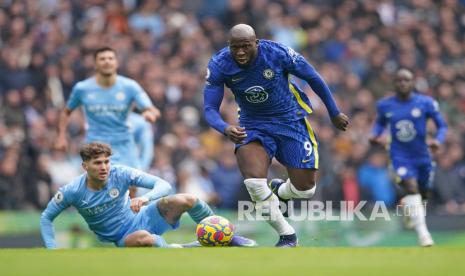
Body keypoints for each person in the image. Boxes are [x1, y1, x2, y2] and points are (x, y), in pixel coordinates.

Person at [203, 24, 349, 247]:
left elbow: (314, 77)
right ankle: (287, 236)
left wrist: (334, 112)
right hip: (253, 125)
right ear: (228, 46)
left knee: (306, 190)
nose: (240, 52)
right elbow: (209, 109)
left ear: (256, 43)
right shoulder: (219, 64)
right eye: (235, 48)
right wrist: (224, 127)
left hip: (290, 121)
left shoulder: (278, 54)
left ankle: (280, 191)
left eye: (245, 46)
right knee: (254, 184)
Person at [40, 142, 256, 248]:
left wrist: (145, 198)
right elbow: (46, 217)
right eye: (98, 163)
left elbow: (162, 184)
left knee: (187, 199)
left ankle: (227, 237)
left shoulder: (121, 173)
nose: (104, 167)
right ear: (84, 166)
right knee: (144, 238)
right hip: (121, 237)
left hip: (143, 215)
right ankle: (185, 248)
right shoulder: (72, 191)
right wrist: (52, 249)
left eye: (106, 161)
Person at [369, 68, 448, 247]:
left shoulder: (426, 103)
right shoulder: (385, 105)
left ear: (412, 82)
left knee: (423, 193)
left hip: (422, 155)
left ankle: (407, 209)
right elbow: (379, 125)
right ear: (394, 83)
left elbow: (442, 126)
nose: (402, 83)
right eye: (399, 80)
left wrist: (438, 140)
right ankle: (424, 235)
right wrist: (374, 135)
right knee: (411, 188)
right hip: (399, 155)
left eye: (406, 80)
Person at [55, 47, 161, 169]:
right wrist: (61, 136)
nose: (107, 61)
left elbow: (151, 109)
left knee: (132, 186)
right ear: (95, 64)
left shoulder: (130, 86)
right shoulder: (82, 88)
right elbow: (66, 112)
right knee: (102, 184)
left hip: (124, 147)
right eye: (102, 59)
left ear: (116, 63)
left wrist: (150, 114)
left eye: (110, 58)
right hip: (96, 147)